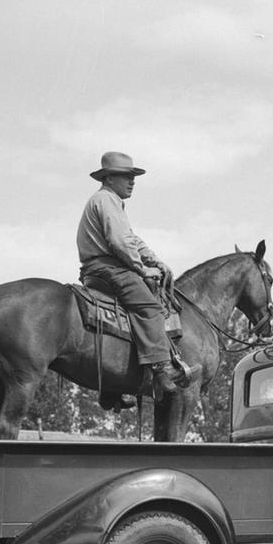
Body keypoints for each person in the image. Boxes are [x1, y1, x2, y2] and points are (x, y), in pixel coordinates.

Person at [77, 151, 191, 394]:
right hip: (108, 267)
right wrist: (142, 269)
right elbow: (119, 242)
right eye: (126, 176)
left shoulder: (110, 202)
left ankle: (113, 390)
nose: (132, 181)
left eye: (133, 176)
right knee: (150, 308)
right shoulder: (106, 201)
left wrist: (156, 262)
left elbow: (131, 239)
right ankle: (162, 370)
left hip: (98, 268)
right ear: (108, 178)